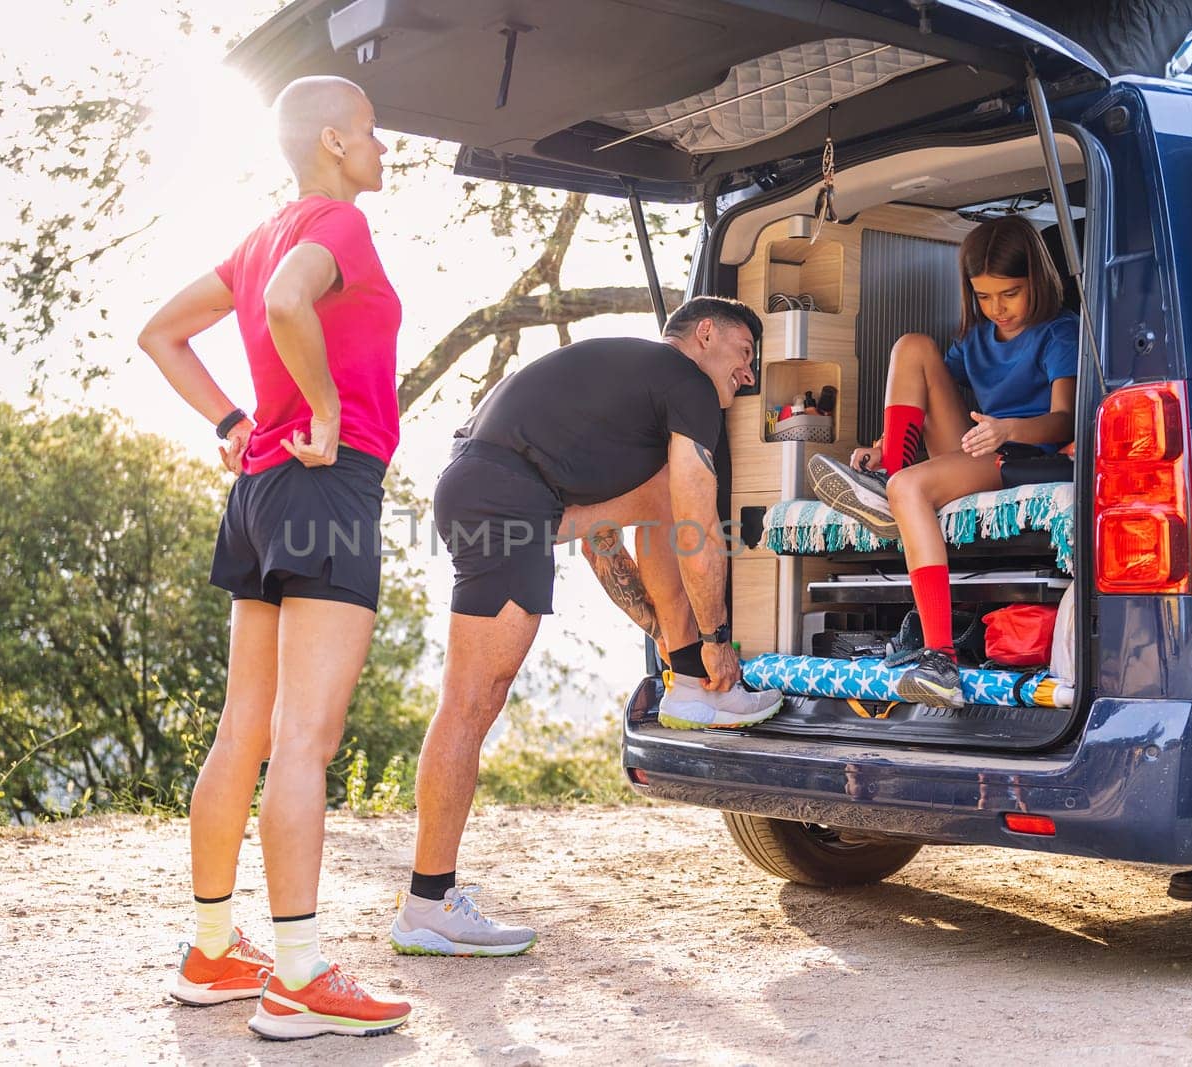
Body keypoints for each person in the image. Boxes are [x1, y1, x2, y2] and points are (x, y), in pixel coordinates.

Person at [137, 74, 410, 1040]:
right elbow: (296, 302)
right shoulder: (335, 227)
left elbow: (160, 333)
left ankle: (214, 951)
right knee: (305, 740)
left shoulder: (258, 237)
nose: (386, 149)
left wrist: (230, 419)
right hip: (325, 486)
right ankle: (297, 976)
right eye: (374, 133)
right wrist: (328, 413)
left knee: (242, 731)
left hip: (256, 490)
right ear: (334, 141)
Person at [388, 297, 784, 957]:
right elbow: (698, 521)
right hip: (505, 496)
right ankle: (429, 903)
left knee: (661, 494)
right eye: (745, 354)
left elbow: (604, 541)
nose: (749, 374)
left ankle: (686, 681)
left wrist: (662, 628)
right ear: (707, 334)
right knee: (470, 702)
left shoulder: (618, 400)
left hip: (494, 487)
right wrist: (718, 640)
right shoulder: (684, 378)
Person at [809, 214, 1078, 707]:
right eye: (984, 296)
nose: (997, 308)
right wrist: (880, 440)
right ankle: (889, 463)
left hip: (1019, 452)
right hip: (977, 442)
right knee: (911, 346)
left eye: (1010, 293)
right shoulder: (975, 339)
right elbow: (925, 392)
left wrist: (1006, 429)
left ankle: (941, 659)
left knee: (909, 489)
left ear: (1037, 281)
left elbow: (1065, 420)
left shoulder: (1059, 333)